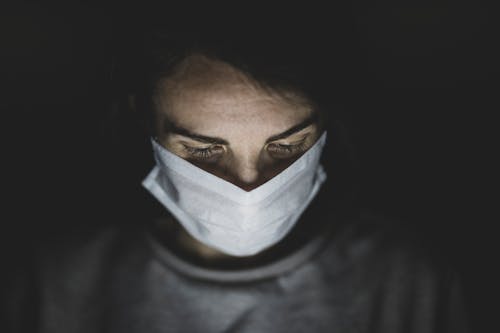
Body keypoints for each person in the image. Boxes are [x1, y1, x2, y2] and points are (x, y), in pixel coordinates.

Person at [2, 28, 469, 333]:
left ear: (327, 123)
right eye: (204, 151)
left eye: (287, 146)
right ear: (143, 116)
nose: (249, 186)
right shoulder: (55, 284)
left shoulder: (408, 283)